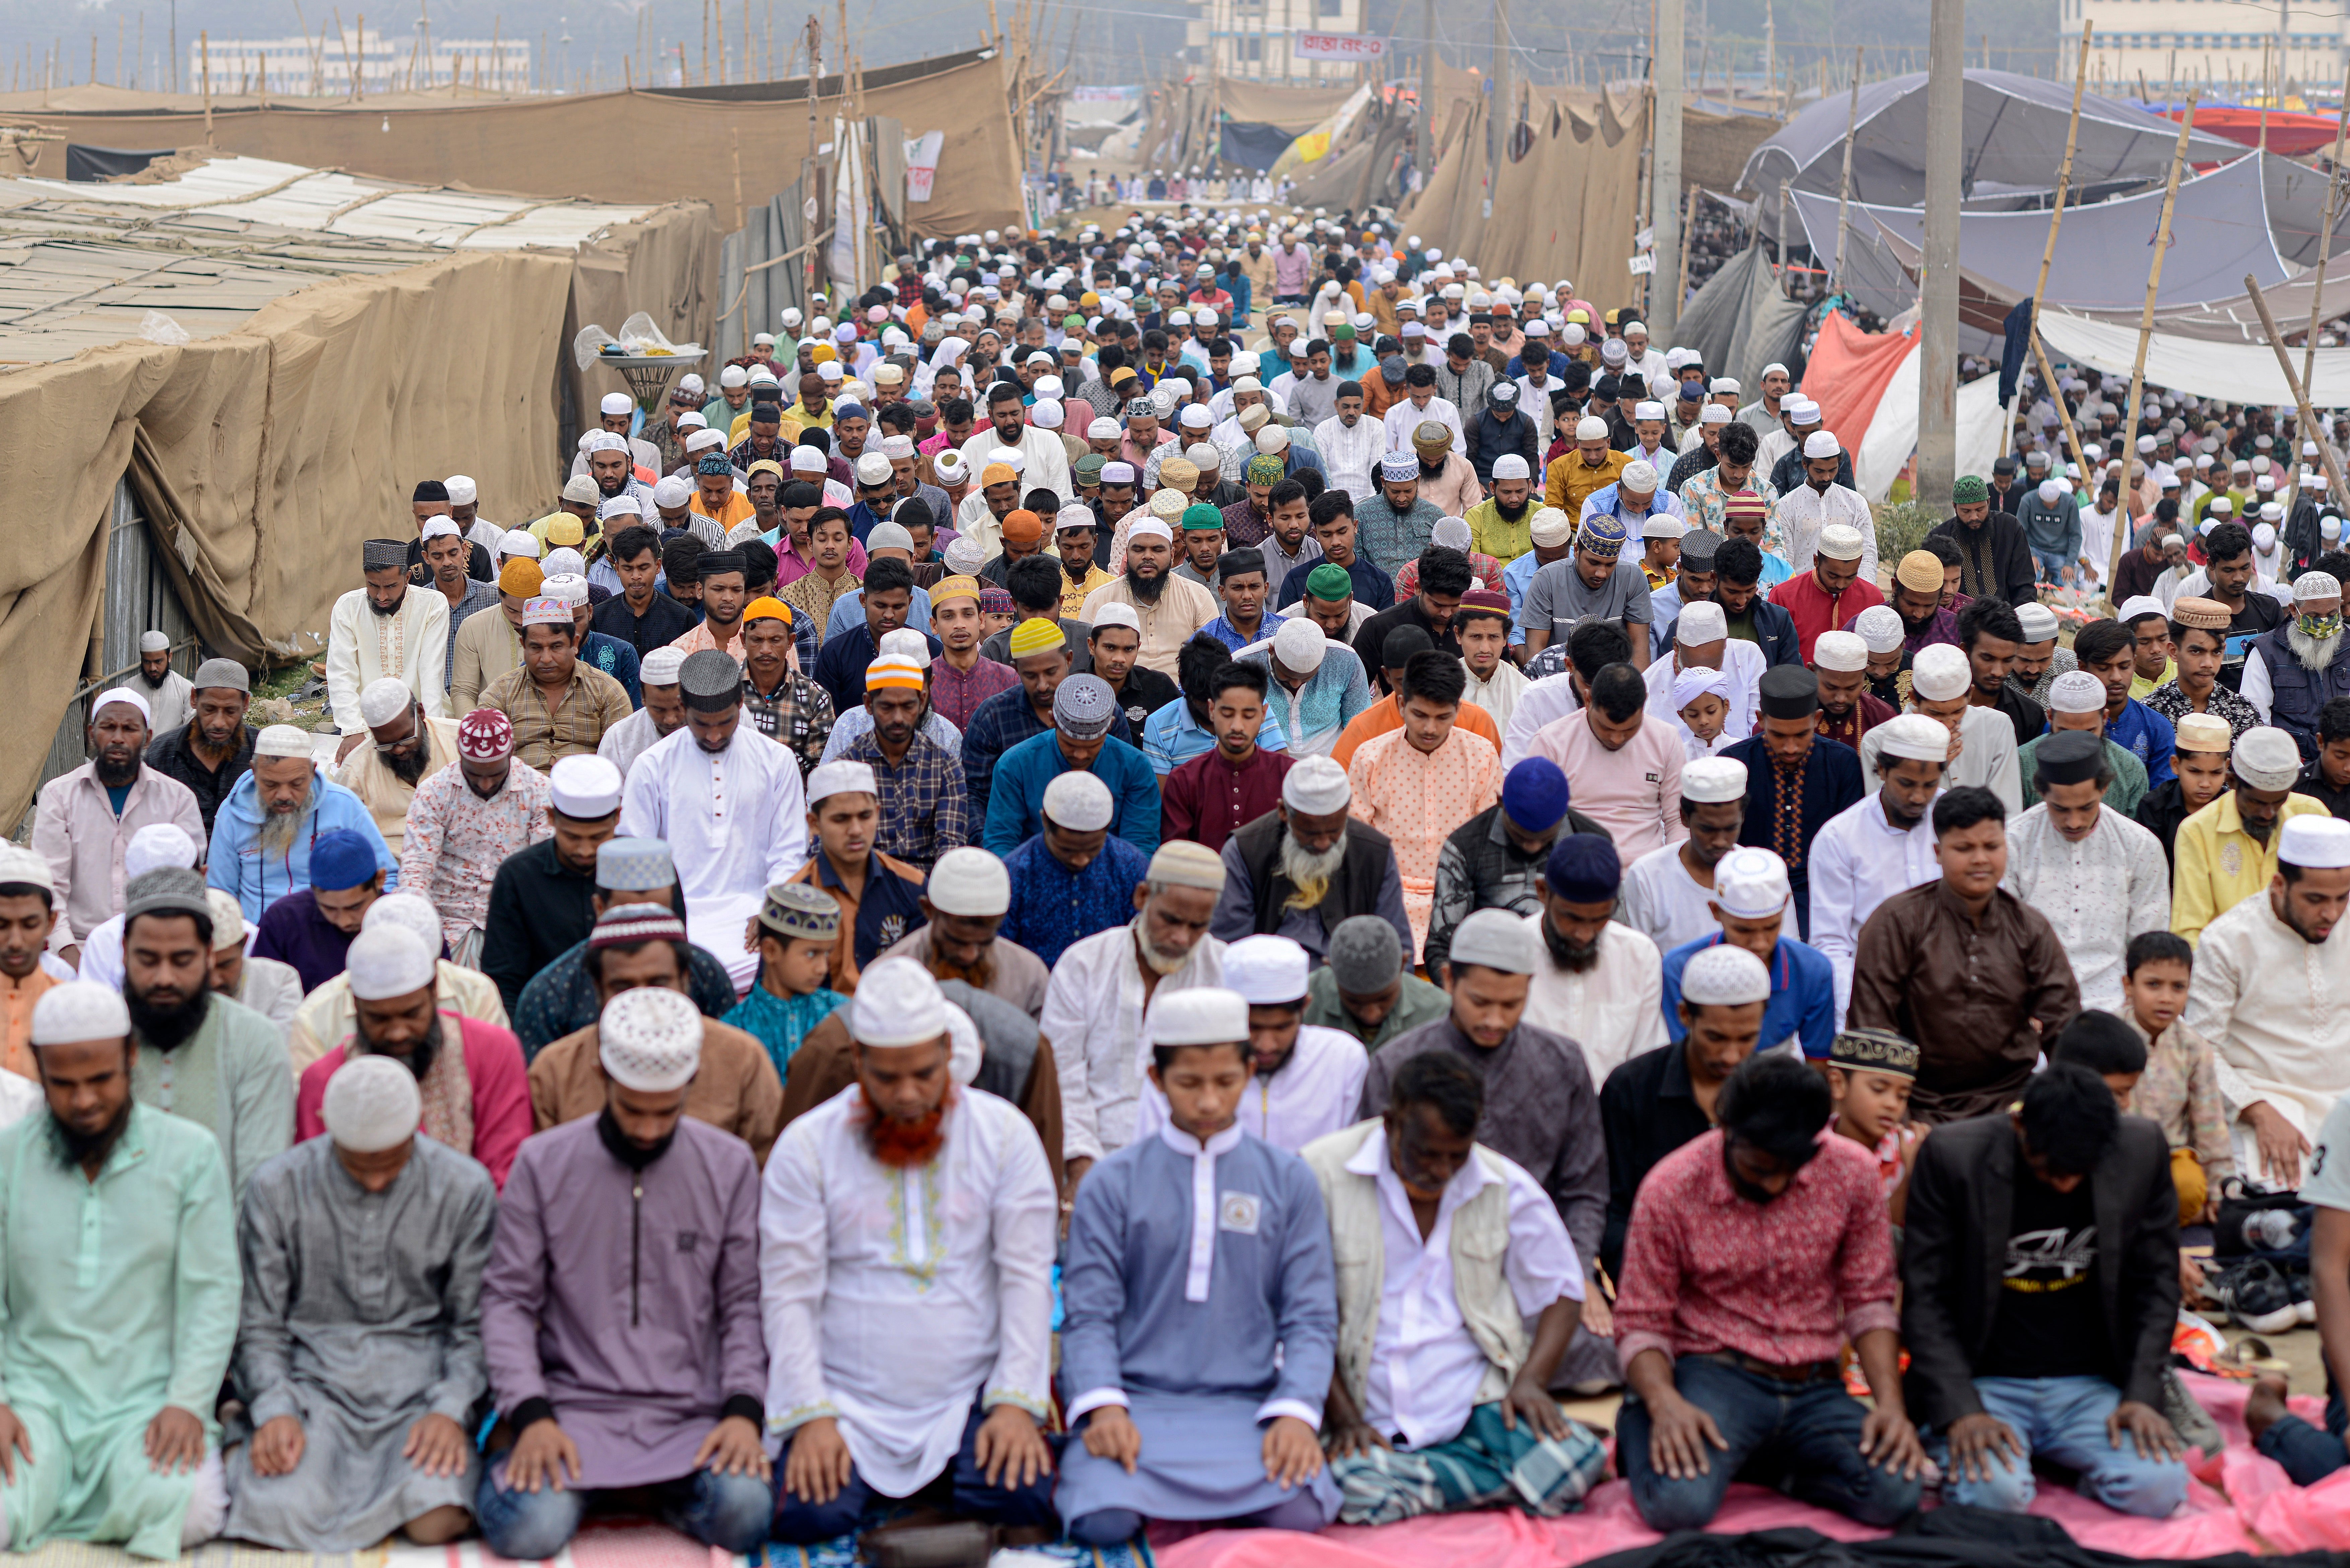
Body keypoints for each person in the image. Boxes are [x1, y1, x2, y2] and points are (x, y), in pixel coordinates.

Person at [763, 961, 1060, 1543]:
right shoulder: (807, 1146)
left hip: (966, 1393)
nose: (907, 1095)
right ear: (858, 1062)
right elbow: (787, 1291)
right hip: (846, 1398)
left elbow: (1026, 1277)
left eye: (925, 1074)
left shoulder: (1004, 1135)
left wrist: (1011, 1404)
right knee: (805, 1515)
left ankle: (939, 1501)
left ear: (950, 1050)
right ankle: (941, 1511)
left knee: (1026, 1497)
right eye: (887, 1077)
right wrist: (813, 1415)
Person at [476, 988, 774, 1561]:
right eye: (633, 1109)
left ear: (688, 1087)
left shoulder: (728, 1165)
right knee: (529, 1527)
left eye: (665, 1112)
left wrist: (741, 1411)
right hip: (571, 1411)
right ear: (602, 1076)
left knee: (746, 1510)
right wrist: (531, 1413)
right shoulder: (545, 1162)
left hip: (690, 1416)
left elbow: (742, 1302)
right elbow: (509, 1299)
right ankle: (628, 1493)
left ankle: (639, 1492)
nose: (646, 1129)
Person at [1058, 985, 1341, 1543]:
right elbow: (1088, 1315)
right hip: (1135, 1405)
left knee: (1302, 1513)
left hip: (1250, 1407)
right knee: (1101, 1521)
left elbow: (1310, 1316)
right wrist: (1104, 1406)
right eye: (1190, 1083)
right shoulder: (1113, 1184)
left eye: (1225, 1082)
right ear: (1156, 1079)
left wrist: (1295, 1411)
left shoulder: (1289, 1179)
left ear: (1248, 1071)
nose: (1209, 1101)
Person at [1612, 1051, 1923, 1530]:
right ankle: (1647, 1422)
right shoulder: (1672, 1185)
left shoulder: (1852, 1170)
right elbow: (1641, 1322)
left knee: (1898, 1492)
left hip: (1814, 1383)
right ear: (1726, 1128)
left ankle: (1764, 1460)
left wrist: (1890, 1407)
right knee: (1680, 1506)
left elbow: (1870, 1300)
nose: (1776, 1182)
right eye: (1759, 1168)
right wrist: (1665, 1403)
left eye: (1791, 1167)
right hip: (1715, 1373)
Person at [1308, 1050, 1608, 1525]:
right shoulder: (1321, 1172)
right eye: (1426, 1153)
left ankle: (1423, 1482)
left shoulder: (1503, 1183)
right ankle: (1495, 1484)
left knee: (1578, 1462)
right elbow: (1298, 1314)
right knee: (1341, 1489)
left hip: (1475, 1400)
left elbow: (1563, 1291)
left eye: (1457, 1156)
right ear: (1390, 1124)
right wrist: (1345, 1418)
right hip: (1364, 1407)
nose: (1442, 1171)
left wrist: (1531, 1381)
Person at [0, 981, 238, 1560]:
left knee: (195, 1508)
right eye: (65, 1083)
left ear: (130, 1058)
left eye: (100, 1079)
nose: (84, 1101)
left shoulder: (190, 1153)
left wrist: (187, 1400)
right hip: (31, 1398)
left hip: (144, 1401)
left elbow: (213, 1292)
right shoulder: (8, 1156)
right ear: (40, 1068)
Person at [225, 1056, 499, 1550]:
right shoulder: (278, 1185)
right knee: (278, 1512)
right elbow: (260, 1325)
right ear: (331, 1133)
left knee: (435, 1519)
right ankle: (246, 1440)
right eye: (358, 1164)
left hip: (421, 1388)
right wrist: (275, 1408)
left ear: (415, 1131)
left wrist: (450, 1408)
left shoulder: (465, 1187)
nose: (375, 1182)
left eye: (390, 1163)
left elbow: (473, 1326)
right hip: (314, 1389)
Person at [1899, 1060, 2188, 1516]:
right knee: (1994, 1496)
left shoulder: (2140, 1149)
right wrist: (1962, 1411)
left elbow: (2157, 1285)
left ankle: (2063, 1464)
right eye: (2050, 1168)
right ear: (2019, 1125)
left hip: (2090, 1385)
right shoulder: (1955, 1156)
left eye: (2080, 1170)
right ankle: (1996, 1459)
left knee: (2160, 1486)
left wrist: (2140, 1395)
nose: (2066, 1182)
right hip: (1984, 1383)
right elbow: (1924, 1299)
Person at [1356, 909, 1610, 1379]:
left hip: (1531, 1261)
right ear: (1449, 979)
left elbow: (1585, 1189)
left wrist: (1574, 1274)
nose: (1495, 1020)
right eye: (1481, 1002)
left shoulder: (1562, 1062)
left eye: (1511, 1004)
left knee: (1597, 1352)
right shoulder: (1398, 1065)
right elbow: (1372, 1191)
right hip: (1426, 1264)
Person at [1850, 787, 2080, 1122]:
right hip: (1919, 1106)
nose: (1980, 859)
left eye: (1991, 846)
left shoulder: (2029, 927)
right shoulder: (1897, 922)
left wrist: (2058, 1107)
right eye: (1964, 848)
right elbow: (1873, 1031)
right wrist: (1897, 1121)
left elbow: (2064, 1028)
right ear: (1937, 852)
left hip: (2013, 1104)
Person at [525, 905, 783, 1163]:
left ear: (685, 980)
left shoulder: (742, 1060)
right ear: (597, 989)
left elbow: (769, 1171)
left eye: (659, 983)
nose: (643, 1000)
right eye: (623, 987)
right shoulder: (556, 1071)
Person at [619, 649, 808, 992]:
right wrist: (663, 923)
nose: (714, 736)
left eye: (725, 722)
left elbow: (790, 850)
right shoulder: (651, 766)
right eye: (701, 724)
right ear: (683, 710)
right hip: (677, 922)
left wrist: (774, 909)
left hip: (756, 918)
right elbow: (636, 859)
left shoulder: (776, 761)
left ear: (740, 704)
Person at [292, 923, 534, 1186]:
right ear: (355, 1005)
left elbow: (506, 1173)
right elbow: (316, 1188)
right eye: (379, 1019)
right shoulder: (323, 1081)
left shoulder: (494, 1051)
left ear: (434, 992)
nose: (398, 1033)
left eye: (411, 1015)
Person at [2184, 813, 2350, 1190]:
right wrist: (2256, 1111)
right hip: (2267, 1102)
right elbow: (2200, 1049)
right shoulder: (2227, 941)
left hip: (2346, 1100)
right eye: (2315, 899)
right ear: (2278, 884)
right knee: (2283, 1201)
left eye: (2342, 897)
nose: (2331, 913)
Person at [1041, 842, 1229, 1175]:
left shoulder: (1224, 969)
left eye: (1197, 926)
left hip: (1192, 1159)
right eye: (1170, 920)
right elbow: (1063, 1076)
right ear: (1142, 897)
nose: (1181, 939)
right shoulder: (1083, 964)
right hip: (1089, 1154)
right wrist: (1082, 1165)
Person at [1132, 935, 1368, 1153]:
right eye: (1252, 1028)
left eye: (1282, 1028)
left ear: (1305, 1007)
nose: (1266, 1046)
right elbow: (1152, 1158)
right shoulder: (1183, 1064)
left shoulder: (1342, 1059)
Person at [1345, 651, 1502, 959]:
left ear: (1458, 709)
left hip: (1461, 898)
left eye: (1443, 717)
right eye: (1420, 715)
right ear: (1402, 705)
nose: (1430, 729)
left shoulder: (1482, 756)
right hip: (1386, 897)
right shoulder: (1370, 757)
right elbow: (1356, 844)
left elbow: (1489, 845)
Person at [2003, 729, 2171, 1012]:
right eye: (2060, 809)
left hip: (2116, 1003)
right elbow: (2004, 943)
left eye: (2086, 807)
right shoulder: (2013, 843)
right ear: (2041, 793)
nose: (2074, 822)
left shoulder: (2139, 845)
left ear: (2104, 790)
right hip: (2031, 1002)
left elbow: (2148, 942)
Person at [31, 687, 206, 955]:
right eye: (108, 727)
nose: (118, 738)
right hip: (78, 945)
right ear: (92, 733)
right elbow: (49, 884)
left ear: (147, 738)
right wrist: (67, 951)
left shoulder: (177, 800)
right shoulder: (59, 796)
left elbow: (186, 882)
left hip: (153, 948)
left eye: (129, 729)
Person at [1807, 714, 1952, 1024]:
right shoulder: (1840, 838)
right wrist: (1864, 1007)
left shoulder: (1956, 821)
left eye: (1929, 786)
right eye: (1907, 783)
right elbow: (1831, 944)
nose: (1918, 797)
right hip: (1872, 992)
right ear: (1883, 770)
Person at [1425, 756, 1612, 976]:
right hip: (1491, 978)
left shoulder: (1594, 843)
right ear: (1500, 803)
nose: (1532, 847)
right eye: (1520, 834)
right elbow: (1442, 945)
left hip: (1571, 970)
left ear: (1564, 812)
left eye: (1543, 838)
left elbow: (1613, 933)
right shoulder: (1466, 846)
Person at [396, 709, 553, 965]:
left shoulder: (539, 791)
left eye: (495, 775)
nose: (485, 785)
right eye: (475, 774)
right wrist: (415, 920)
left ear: (511, 755)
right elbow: (416, 868)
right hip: (446, 923)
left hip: (515, 922)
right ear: (460, 757)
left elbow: (540, 874)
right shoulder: (434, 792)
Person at [1658, 845, 1836, 1062]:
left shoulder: (1813, 970)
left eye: (1771, 928)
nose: (1760, 944)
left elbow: (1819, 1065)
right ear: (1716, 912)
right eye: (1744, 930)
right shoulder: (1678, 969)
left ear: (1785, 908)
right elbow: (1684, 1064)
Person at [1519, 832, 1667, 1086]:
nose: (1585, 935)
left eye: (1599, 920)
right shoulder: (1513, 950)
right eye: (1572, 918)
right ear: (1543, 893)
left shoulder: (1639, 956)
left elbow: (1646, 1062)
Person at [207, 725, 397, 923]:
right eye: (270, 785)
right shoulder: (232, 815)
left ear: (312, 771)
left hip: (334, 927)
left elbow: (388, 876)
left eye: (297, 784)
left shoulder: (344, 806)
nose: (283, 796)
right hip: (258, 935)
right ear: (254, 772)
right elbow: (220, 893)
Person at [2114, 930, 2232, 1224]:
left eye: (2178, 987)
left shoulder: (2194, 1048)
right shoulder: (2106, 1037)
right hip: (2113, 1157)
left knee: (2189, 1187)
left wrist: (2219, 1190)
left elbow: (2209, 1124)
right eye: (2153, 985)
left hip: (2168, 1157)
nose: (2166, 999)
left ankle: (2139, 1219)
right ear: (2128, 986)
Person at [782, 761, 929, 996]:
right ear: (814, 824)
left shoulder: (912, 886)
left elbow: (927, 975)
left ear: (878, 814)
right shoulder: (794, 898)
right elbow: (779, 992)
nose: (856, 830)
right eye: (841, 819)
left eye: (865, 816)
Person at [2172, 724, 2329, 943]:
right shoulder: (2198, 831)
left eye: (2279, 801)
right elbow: (2190, 931)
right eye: (2257, 802)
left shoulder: (2313, 817)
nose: (2268, 814)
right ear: (2233, 782)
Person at [1524, 663, 1685, 866]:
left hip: (1645, 874)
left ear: (1644, 705)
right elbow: (1534, 821)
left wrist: (1673, 870)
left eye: (1630, 729)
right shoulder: (1551, 742)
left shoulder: (1666, 739)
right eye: (1606, 728)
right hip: (1573, 872)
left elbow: (1678, 821)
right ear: (1588, 700)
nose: (1617, 739)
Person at [985, 672, 1160, 857]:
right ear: (1052, 722)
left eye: (1093, 746)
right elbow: (1001, 844)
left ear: (1110, 726)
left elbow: (1140, 849)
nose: (1080, 755)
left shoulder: (1135, 767)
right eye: (1069, 744)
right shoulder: (1015, 765)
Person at [997, 772, 1154, 971]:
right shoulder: (1016, 873)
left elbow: (1146, 941)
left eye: (1092, 850)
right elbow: (1002, 955)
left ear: (1108, 829)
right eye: (1067, 850)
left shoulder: (1130, 866)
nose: (1081, 860)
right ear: (1045, 822)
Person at [1858, 643, 2023, 816]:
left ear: (1970, 695)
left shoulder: (1996, 726)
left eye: (1958, 711)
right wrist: (1931, 768)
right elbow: (1884, 818)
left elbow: (2007, 811)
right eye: (1935, 713)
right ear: (1913, 698)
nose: (1947, 722)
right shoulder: (1878, 742)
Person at [326, 540, 452, 742]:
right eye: (373, 586)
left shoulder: (432, 605)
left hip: (419, 720)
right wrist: (352, 730)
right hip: (366, 724)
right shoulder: (347, 607)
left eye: (391, 586)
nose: (382, 596)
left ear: (407, 578)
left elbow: (431, 672)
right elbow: (341, 673)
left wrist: (429, 729)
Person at [720, 882, 848, 1080]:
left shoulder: (844, 1015)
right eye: (812, 954)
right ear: (771, 951)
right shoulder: (735, 1030)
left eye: (827, 954)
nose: (822, 968)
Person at [248, 828, 386, 995]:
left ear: (379, 881)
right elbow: (264, 998)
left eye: (354, 907)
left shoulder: (403, 921)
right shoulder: (284, 922)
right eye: (329, 909)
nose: (344, 921)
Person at [334, 679, 461, 857]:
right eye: (386, 744)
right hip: (392, 869)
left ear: (421, 713)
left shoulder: (460, 741)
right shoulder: (356, 770)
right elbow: (337, 830)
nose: (399, 750)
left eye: (406, 738)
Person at [143, 658, 258, 839]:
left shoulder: (261, 751)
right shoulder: (162, 753)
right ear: (194, 699)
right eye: (210, 710)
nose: (219, 723)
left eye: (230, 712)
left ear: (246, 704)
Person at [2243, 569, 2350, 760]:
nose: (2324, 623)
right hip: (2287, 763)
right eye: (2315, 616)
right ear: (2294, 611)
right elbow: (2255, 723)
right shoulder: (2266, 652)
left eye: (2332, 614)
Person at [1303, 911, 1450, 1049]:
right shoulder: (1303, 1005)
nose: (1371, 1016)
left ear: (1403, 964)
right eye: (1355, 1002)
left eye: (1384, 999)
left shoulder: (1439, 1014)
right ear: (1331, 970)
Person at [2146, 596, 2262, 743]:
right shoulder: (2151, 712)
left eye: (2216, 652)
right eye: (2196, 652)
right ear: (2174, 652)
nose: (2208, 664)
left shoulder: (2243, 711)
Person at [1930, 474, 2040, 609]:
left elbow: (2024, 585)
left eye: (1980, 509)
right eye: (1966, 511)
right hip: (1958, 620)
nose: (1974, 517)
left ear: (1988, 502)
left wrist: (2020, 619)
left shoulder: (2009, 528)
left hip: (2004, 618)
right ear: (1955, 507)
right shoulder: (1940, 537)